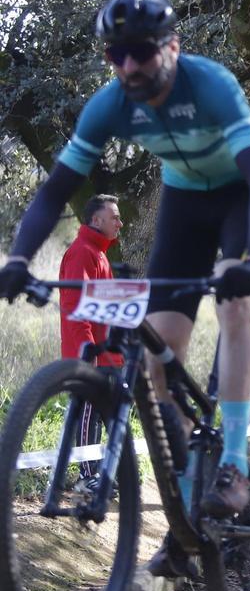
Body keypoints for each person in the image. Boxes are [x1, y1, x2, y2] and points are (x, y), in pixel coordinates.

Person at [0, 0, 250, 578]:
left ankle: (230, 463)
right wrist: (19, 260)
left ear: (171, 47)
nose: (128, 66)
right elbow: (55, 192)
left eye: (141, 53)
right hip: (184, 199)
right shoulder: (110, 105)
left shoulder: (209, 84)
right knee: (157, 353)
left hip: (240, 196)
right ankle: (186, 500)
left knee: (234, 307)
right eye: (115, 54)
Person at [59, 194, 125, 488]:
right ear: (96, 220)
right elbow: (75, 306)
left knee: (100, 414)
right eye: (115, 217)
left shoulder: (99, 253)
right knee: (87, 414)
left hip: (105, 356)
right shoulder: (82, 252)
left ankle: (99, 475)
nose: (120, 223)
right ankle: (87, 477)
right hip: (88, 355)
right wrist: (89, 349)